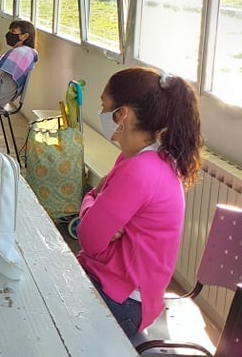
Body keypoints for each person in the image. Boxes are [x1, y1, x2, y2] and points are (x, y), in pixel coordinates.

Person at [76, 67, 202, 337]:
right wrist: (93, 202)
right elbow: (95, 220)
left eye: (104, 106)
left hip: (122, 300)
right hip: (126, 291)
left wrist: (90, 203)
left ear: (122, 115)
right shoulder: (146, 158)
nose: (101, 113)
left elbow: (87, 237)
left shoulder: (139, 169)